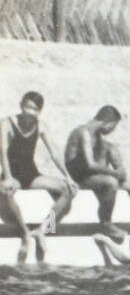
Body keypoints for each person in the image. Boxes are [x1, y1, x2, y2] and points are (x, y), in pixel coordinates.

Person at [0, 91, 77, 263]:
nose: (29, 111)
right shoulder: (7, 123)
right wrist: (8, 177)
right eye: (26, 107)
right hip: (12, 173)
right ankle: (25, 233)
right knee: (5, 191)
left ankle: (43, 229)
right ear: (21, 105)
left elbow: (54, 153)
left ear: (39, 111)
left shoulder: (41, 125)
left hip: (31, 173)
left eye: (33, 109)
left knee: (67, 190)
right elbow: (2, 151)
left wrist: (68, 176)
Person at [65, 105, 130, 243]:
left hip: (88, 172)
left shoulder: (96, 136)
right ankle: (106, 223)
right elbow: (90, 164)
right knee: (110, 182)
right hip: (79, 174)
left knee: (111, 147)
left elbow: (97, 162)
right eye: (113, 127)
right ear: (107, 122)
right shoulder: (84, 133)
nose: (112, 131)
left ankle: (124, 183)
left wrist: (119, 172)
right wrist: (115, 174)